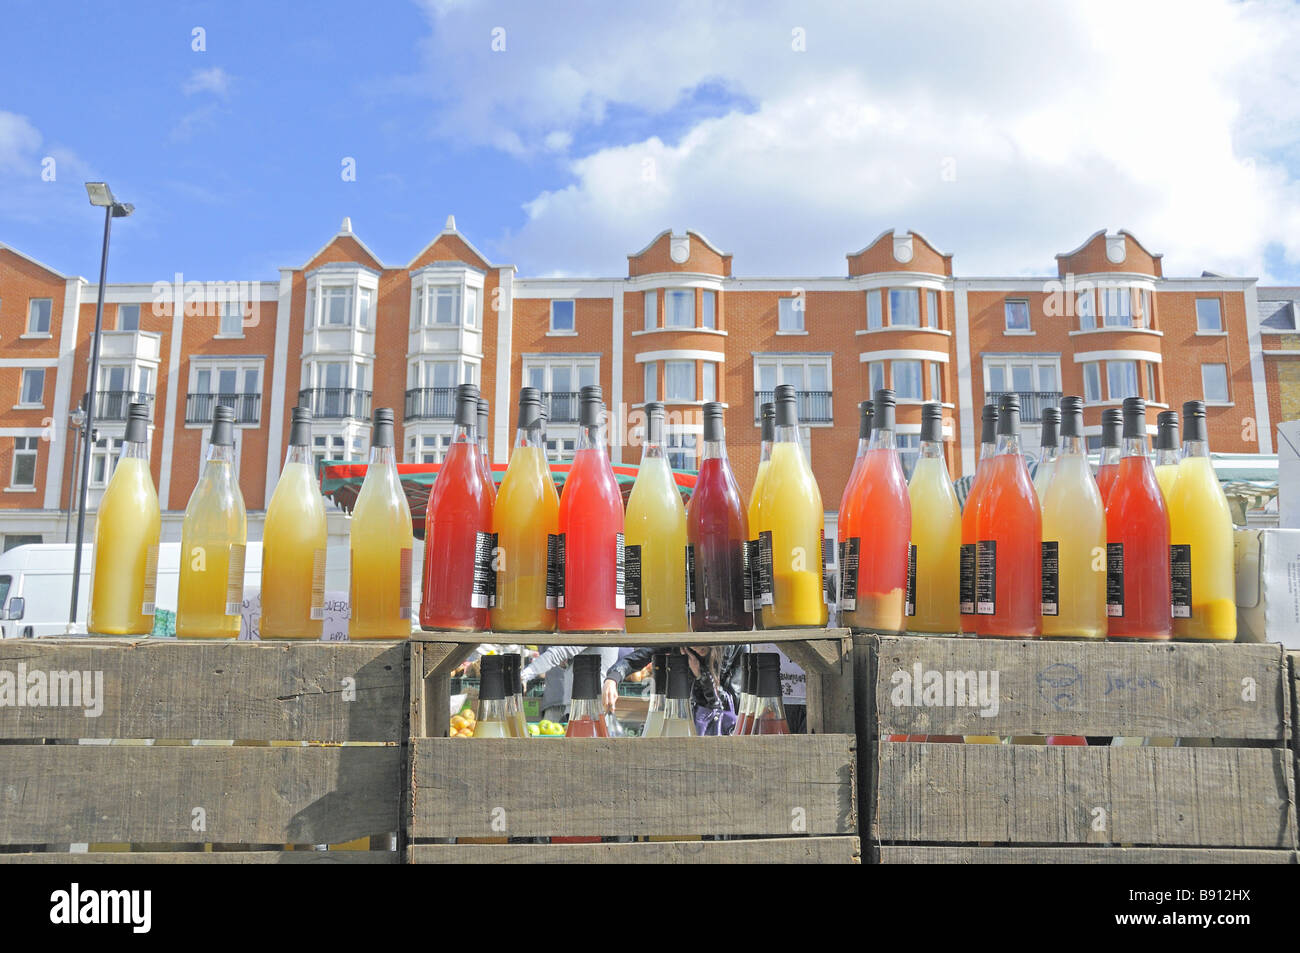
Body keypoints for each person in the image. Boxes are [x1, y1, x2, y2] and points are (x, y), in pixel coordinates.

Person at [604, 644, 742, 735]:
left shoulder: (734, 646)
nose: (694, 647)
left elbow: (732, 706)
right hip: (688, 723)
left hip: (722, 735)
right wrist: (612, 679)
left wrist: (702, 675)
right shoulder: (683, 643)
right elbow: (637, 658)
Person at [520, 645, 619, 724]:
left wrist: (524, 675)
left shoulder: (595, 626)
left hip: (586, 710)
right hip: (581, 707)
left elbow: (560, 651)